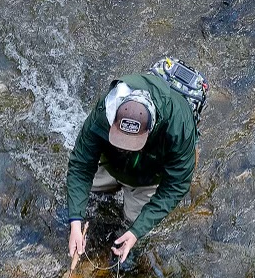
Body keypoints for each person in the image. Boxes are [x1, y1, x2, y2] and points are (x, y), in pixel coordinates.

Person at [66, 70, 198, 266]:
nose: (123, 147)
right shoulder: (104, 112)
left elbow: (176, 185)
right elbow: (80, 165)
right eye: (120, 140)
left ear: (150, 128)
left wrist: (136, 232)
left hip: (149, 177)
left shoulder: (179, 125)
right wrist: (75, 221)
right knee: (77, 197)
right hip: (111, 165)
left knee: (133, 226)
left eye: (131, 143)